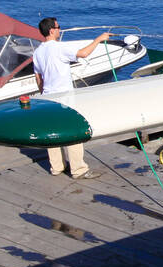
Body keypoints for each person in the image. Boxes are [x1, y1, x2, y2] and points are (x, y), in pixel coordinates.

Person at [32, 17, 110, 179]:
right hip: (64, 97)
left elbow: (38, 78)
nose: (60, 30)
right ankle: (78, 170)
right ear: (52, 30)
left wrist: (44, 94)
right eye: (58, 27)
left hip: (47, 97)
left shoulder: (38, 52)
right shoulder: (59, 48)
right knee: (73, 131)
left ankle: (57, 167)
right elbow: (83, 53)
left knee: (53, 133)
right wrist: (99, 39)